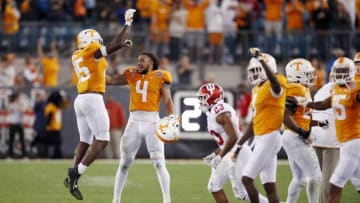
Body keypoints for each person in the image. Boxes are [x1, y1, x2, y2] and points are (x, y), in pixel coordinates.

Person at [63, 8, 136, 200]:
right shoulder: (89, 52)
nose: (98, 44)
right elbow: (113, 44)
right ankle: (76, 172)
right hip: (92, 99)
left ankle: (73, 178)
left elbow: (108, 79)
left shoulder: (79, 56)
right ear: (89, 42)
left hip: (82, 99)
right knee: (102, 139)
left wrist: (131, 78)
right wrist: (127, 23)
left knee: (85, 141)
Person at [109, 52, 178, 203]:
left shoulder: (160, 76)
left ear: (151, 62)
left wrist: (172, 115)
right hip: (133, 122)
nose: (138, 63)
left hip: (152, 122)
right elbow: (112, 81)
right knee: (124, 164)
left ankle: (167, 200)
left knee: (159, 163)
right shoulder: (131, 74)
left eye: (142, 60)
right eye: (137, 60)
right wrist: (95, 73)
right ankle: (116, 200)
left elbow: (167, 100)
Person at [232, 48, 287, 203]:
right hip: (261, 136)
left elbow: (275, 84)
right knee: (269, 185)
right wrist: (239, 145)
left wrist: (261, 59)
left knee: (246, 178)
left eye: (258, 70)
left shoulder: (276, 82)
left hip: (270, 135)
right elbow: (253, 122)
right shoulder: (257, 88)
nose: (254, 74)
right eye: (253, 71)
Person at [198, 83, 268, 203]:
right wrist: (216, 153)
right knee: (214, 186)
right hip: (230, 152)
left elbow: (234, 137)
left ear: (213, 97)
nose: (201, 101)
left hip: (238, 153)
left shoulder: (219, 111)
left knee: (242, 193)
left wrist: (220, 156)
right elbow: (225, 140)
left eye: (203, 97)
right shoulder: (214, 112)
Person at [304, 57, 360, 203]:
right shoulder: (334, 89)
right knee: (354, 181)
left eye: (344, 71)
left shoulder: (355, 87)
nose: (341, 74)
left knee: (334, 184)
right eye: (338, 71)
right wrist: (305, 104)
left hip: (351, 142)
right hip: (343, 142)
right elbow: (323, 105)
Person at [282, 58, 323, 203]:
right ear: (298, 75)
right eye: (308, 73)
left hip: (291, 135)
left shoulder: (303, 88)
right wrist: (301, 131)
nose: (312, 76)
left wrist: (318, 123)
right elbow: (284, 115)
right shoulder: (295, 88)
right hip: (295, 135)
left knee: (299, 178)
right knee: (315, 176)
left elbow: (302, 116)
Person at [311, 80, 339, 203]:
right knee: (329, 184)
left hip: (317, 137)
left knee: (317, 180)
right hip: (332, 141)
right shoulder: (344, 90)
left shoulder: (321, 90)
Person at [104, 94, 127, 159]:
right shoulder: (103, 106)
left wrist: (121, 125)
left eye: (109, 96)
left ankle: (118, 157)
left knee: (117, 144)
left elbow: (121, 116)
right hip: (106, 130)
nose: (108, 98)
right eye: (107, 97)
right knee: (107, 145)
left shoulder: (117, 105)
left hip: (116, 129)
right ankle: (109, 158)